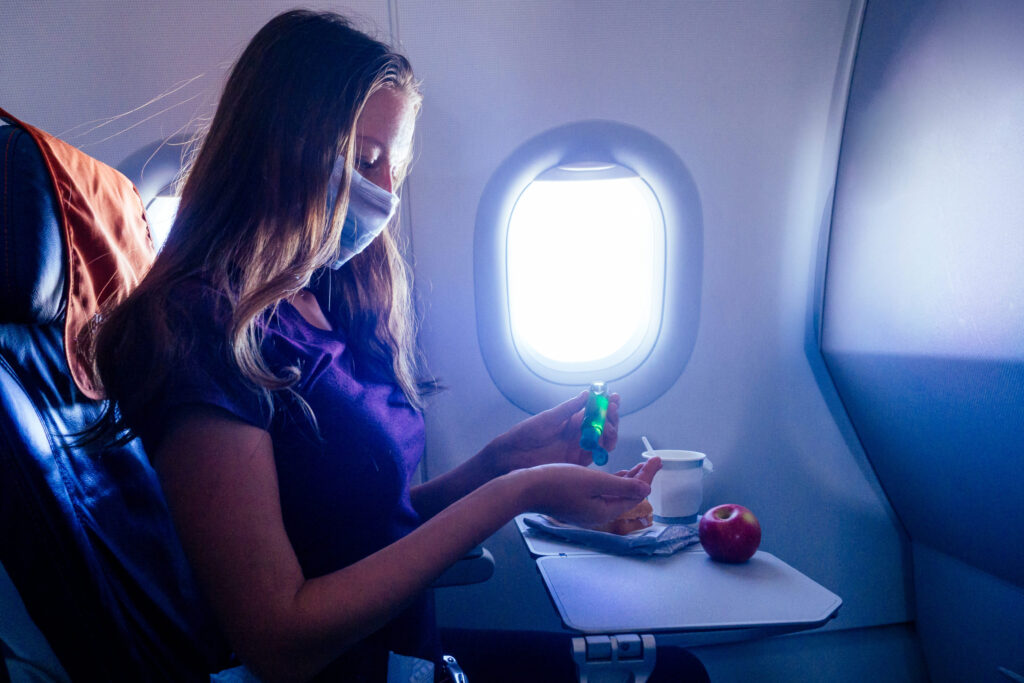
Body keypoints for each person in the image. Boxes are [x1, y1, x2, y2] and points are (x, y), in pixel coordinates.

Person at [90, 9, 661, 682]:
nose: (387, 191)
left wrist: (498, 464)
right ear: (282, 147)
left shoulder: (322, 300)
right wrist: (520, 493)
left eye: (395, 163)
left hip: (406, 660)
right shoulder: (201, 330)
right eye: (366, 159)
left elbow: (362, 530)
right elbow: (278, 636)